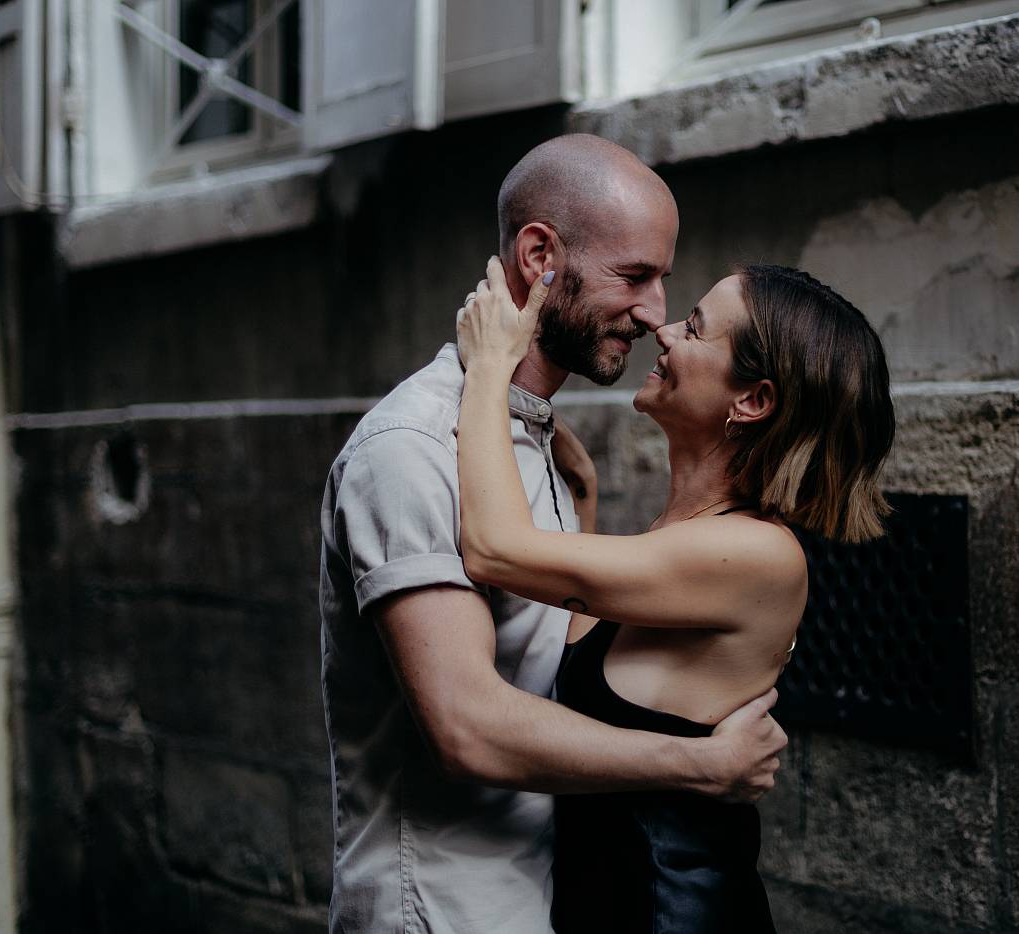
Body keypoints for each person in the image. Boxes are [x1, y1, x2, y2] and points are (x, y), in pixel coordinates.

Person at [317, 135, 788, 934]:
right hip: (441, 912)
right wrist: (699, 765)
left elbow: (550, 662)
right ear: (540, 255)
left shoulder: (531, 446)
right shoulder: (414, 449)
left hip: (541, 899)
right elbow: (467, 728)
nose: (654, 313)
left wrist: (585, 505)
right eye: (635, 276)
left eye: (663, 281)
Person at [455, 255, 896, 933]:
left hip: (672, 913)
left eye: (694, 328)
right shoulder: (674, 538)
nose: (663, 333)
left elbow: (491, 548)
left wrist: (489, 365)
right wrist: (585, 502)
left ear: (753, 400)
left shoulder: (756, 554)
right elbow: (570, 646)